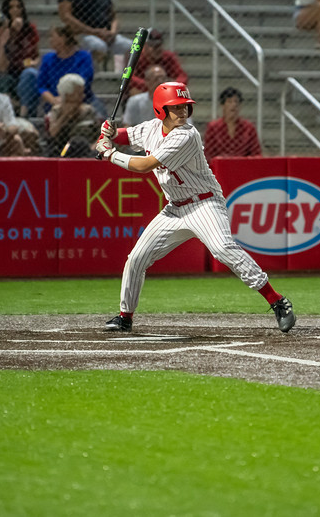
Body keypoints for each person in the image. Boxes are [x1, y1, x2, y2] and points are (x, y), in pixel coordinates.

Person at [95, 81, 295, 333]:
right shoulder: (150, 128)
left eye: (185, 108)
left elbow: (144, 165)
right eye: (176, 108)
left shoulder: (187, 135)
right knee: (136, 258)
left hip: (205, 204)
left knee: (223, 249)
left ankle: (277, 301)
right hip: (175, 209)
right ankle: (125, 316)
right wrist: (111, 131)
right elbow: (126, 135)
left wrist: (109, 154)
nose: (182, 113)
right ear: (160, 110)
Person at [34, 25, 104, 117]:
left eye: (53, 37)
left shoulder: (84, 57)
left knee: (100, 114)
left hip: (81, 99)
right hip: (55, 101)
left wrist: (68, 101)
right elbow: (41, 86)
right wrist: (54, 100)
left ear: (63, 39)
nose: (50, 40)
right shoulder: (47, 59)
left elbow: (84, 81)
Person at [45, 73, 98, 156]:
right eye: (79, 93)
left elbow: (102, 135)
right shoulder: (57, 111)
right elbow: (53, 133)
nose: (83, 96)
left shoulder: (88, 111)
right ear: (67, 95)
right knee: (73, 144)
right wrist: (64, 115)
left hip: (88, 151)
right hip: (64, 151)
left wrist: (92, 147)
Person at [203, 86, 262, 160]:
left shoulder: (249, 128)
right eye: (229, 101)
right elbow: (208, 155)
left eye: (236, 102)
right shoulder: (213, 128)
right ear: (223, 105)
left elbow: (257, 154)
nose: (234, 105)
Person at [1, 0, 40, 100]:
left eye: (18, 7)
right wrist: (12, 31)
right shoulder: (2, 29)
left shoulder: (30, 29)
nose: (15, 10)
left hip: (25, 69)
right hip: (8, 70)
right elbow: (2, 63)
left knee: (29, 75)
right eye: (11, 7)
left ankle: (24, 110)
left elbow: (37, 55)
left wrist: (34, 62)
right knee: (5, 79)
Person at [127, 28, 188, 94]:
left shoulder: (168, 57)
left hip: (165, 91)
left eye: (158, 45)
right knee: (134, 90)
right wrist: (150, 84)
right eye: (153, 46)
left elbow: (182, 76)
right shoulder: (138, 57)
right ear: (145, 45)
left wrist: (170, 85)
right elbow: (129, 77)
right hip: (143, 91)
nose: (157, 49)